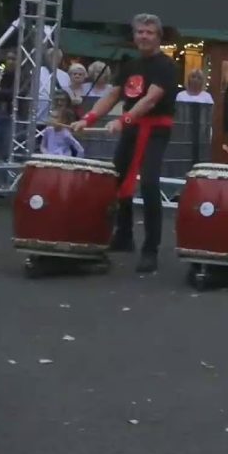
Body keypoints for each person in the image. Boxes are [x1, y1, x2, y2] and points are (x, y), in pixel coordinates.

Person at [73, 14, 177, 274]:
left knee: (151, 183)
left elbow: (151, 99)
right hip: (132, 128)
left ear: (158, 37)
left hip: (156, 129)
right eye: (140, 32)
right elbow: (112, 95)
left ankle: (150, 249)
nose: (143, 36)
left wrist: (124, 118)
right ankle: (124, 234)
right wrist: (88, 118)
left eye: (149, 32)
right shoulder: (130, 65)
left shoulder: (166, 65)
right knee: (117, 180)